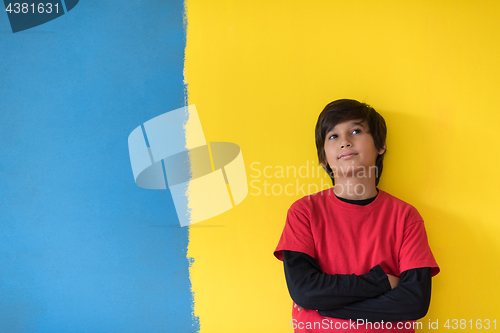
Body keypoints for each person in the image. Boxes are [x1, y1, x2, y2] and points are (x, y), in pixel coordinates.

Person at [274, 99, 440, 332]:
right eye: (333, 136)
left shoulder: (406, 216)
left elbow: (413, 303)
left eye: (356, 131)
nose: (345, 142)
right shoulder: (304, 212)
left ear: (380, 145)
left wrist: (326, 308)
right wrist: (381, 281)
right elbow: (305, 291)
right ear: (323, 157)